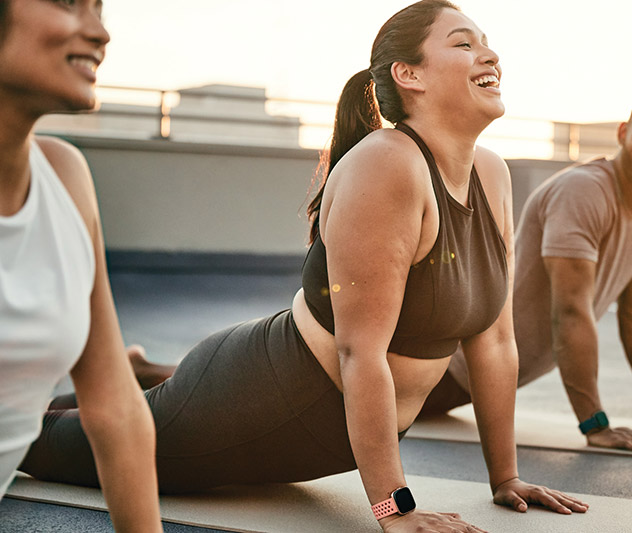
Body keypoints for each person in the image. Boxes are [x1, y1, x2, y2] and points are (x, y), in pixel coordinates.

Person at [20, 1, 588, 531]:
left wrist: (505, 477)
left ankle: (134, 376)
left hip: (314, 436)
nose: (490, 55)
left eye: (486, 43)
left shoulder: (491, 173)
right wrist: (394, 510)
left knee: (85, 416)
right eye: (464, 44)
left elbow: (495, 341)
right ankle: (107, 387)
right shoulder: (389, 164)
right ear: (409, 74)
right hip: (255, 402)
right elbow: (359, 352)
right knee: (34, 442)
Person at [421, 80, 632, 452]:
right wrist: (595, 424)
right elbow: (570, 310)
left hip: (468, 381)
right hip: (435, 366)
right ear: (623, 133)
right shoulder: (583, 192)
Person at [0, 0, 162, 530]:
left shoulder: (65, 178)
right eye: (69, 2)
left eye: (100, 8)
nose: (100, 33)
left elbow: (116, 408)